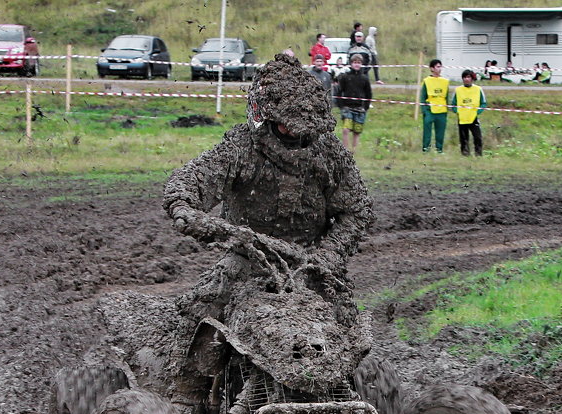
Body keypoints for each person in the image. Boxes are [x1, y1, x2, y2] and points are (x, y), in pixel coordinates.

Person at [162, 52, 373, 327]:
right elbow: (194, 178)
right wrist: (183, 205)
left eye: (301, 130)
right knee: (195, 323)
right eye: (286, 126)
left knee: (347, 336)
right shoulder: (241, 149)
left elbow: (357, 211)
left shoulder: (329, 155)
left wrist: (328, 255)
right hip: (247, 260)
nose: (294, 134)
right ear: (267, 115)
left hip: (311, 264)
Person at [335, 53, 372, 153]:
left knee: (357, 131)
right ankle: (345, 151)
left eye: (359, 63)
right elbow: (338, 92)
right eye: (355, 62)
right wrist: (341, 106)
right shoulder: (345, 77)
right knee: (346, 130)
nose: (357, 64)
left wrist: (366, 107)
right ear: (351, 63)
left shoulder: (364, 78)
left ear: (361, 64)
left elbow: (369, 94)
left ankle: (353, 151)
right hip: (347, 108)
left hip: (360, 108)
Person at [452, 69, 486, 156]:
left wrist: (477, 112)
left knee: (477, 137)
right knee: (463, 138)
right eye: (464, 77)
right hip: (462, 118)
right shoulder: (458, 90)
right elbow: (453, 104)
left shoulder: (478, 89)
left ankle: (478, 154)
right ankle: (465, 154)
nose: (466, 79)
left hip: (473, 117)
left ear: (472, 78)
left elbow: (483, 103)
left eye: (468, 77)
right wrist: (458, 112)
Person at [419, 58, 449, 153]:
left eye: (440, 66)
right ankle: (426, 149)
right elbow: (423, 97)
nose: (439, 69)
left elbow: (447, 96)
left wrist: (447, 108)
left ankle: (439, 149)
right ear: (432, 68)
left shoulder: (445, 81)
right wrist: (424, 110)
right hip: (430, 110)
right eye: (437, 66)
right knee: (427, 131)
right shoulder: (427, 81)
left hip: (442, 110)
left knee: (440, 132)